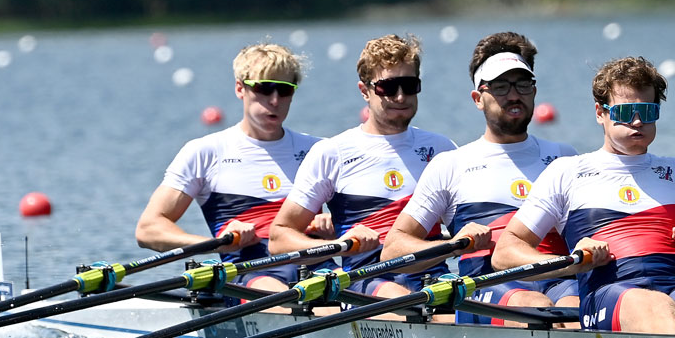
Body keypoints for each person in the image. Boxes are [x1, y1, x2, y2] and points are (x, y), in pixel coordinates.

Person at [493, 56, 675, 338]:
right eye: (626, 111)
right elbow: (504, 253)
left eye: (647, 111)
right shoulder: (567, 172)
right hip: (608, 296)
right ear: (600, 113)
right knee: (652, 304)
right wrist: (571, 261)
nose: (638, 121)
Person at [381, 32, 579, 326]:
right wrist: (455, 245)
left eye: (522, 84)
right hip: (486, 284)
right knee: (535, 307)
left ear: (534, 91)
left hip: (558, 280)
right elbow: (392, 250)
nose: (514, 95)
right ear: (477, 99)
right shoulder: (451, 165)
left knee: (576, 310)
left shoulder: (564, 158)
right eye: (500, 87)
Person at [270, 34, 458, 300]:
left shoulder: (442, 149)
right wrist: (337, 245)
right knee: (400, 297)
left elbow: (466, 225)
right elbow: (279, 238)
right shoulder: (332, 153)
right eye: (388, 87)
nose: (401, 96)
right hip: (364, 282)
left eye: (409, 85)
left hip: (433, 279)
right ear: (364, 90)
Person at [137, 43, 327, 293]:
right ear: (240, 88)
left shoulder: (319, 151)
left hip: (319, 269)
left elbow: (364, 219)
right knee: (286, 297)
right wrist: (216, 243)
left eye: (284, 90)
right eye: (264, 88)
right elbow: (148, 229)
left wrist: (335, 222)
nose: (274, 100)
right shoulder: (205, 153)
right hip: (249, 275)